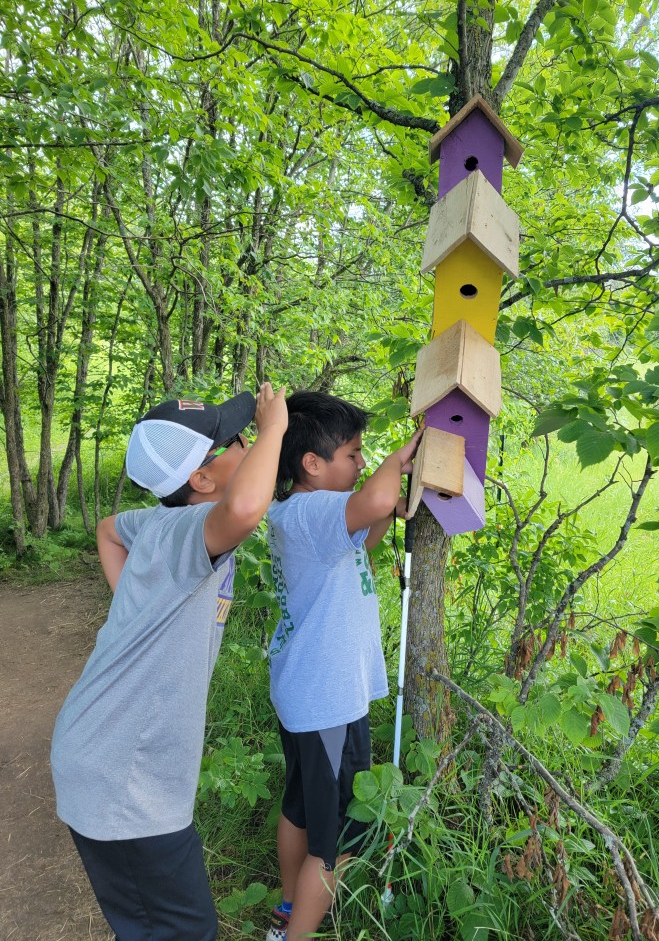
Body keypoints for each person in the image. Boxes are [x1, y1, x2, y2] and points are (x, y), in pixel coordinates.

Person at [51, 383, 288, 941]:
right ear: (201, 481)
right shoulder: (188, 530)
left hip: (108, 756)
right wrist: (275, 429)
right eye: (233, 440)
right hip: (124, 782)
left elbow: (108, 529)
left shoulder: (158, 526)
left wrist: (133, 615)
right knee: (184, 932)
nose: (247, 440)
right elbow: (247, 508)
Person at [264, 391, 421, 941]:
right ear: (312, 464)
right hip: (329, 699)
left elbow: (366, 536)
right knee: (340, 842)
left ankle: (288, 907)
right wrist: (404, 457)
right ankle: (296, 937)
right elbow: (373, 501)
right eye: (353, 454)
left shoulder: (301, 514)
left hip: (306, 692)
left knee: (302, 807)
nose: (360, 464)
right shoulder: (312, 511)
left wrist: (387, 505)